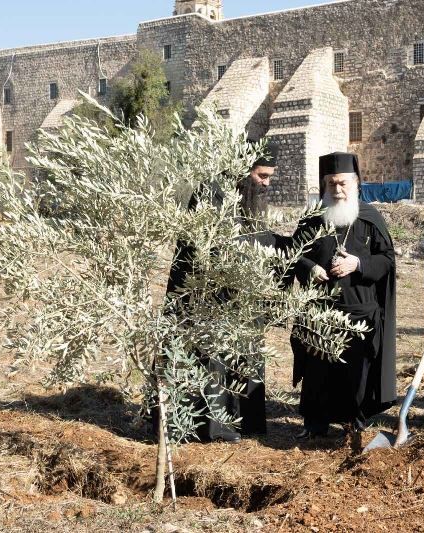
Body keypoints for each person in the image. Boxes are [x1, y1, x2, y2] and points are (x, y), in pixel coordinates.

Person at [162, 142, 285, 443]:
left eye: (270, 177)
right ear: (243, 171)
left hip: (241, 298)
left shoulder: (249, 200)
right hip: (209, 298)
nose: (266, 183)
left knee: (242, 356)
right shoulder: (213, 195)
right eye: (262, 176)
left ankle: (242, 422)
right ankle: (213, 428)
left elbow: (260, 238)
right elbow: (213, 250)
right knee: (213, 357)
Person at [290, 152, 397, 443]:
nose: (337, 190)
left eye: (342, 184)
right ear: (324, 185)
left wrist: (358, 264)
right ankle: (315, 423)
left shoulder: (370, 218)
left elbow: (386, 259)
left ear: (356, 183)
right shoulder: (313, 219)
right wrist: (310, 268)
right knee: (317, 372)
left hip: (360, 309)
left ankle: (356, 423)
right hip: (321, 311)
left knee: (357, 373)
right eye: (331, 184)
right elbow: (295, 255)